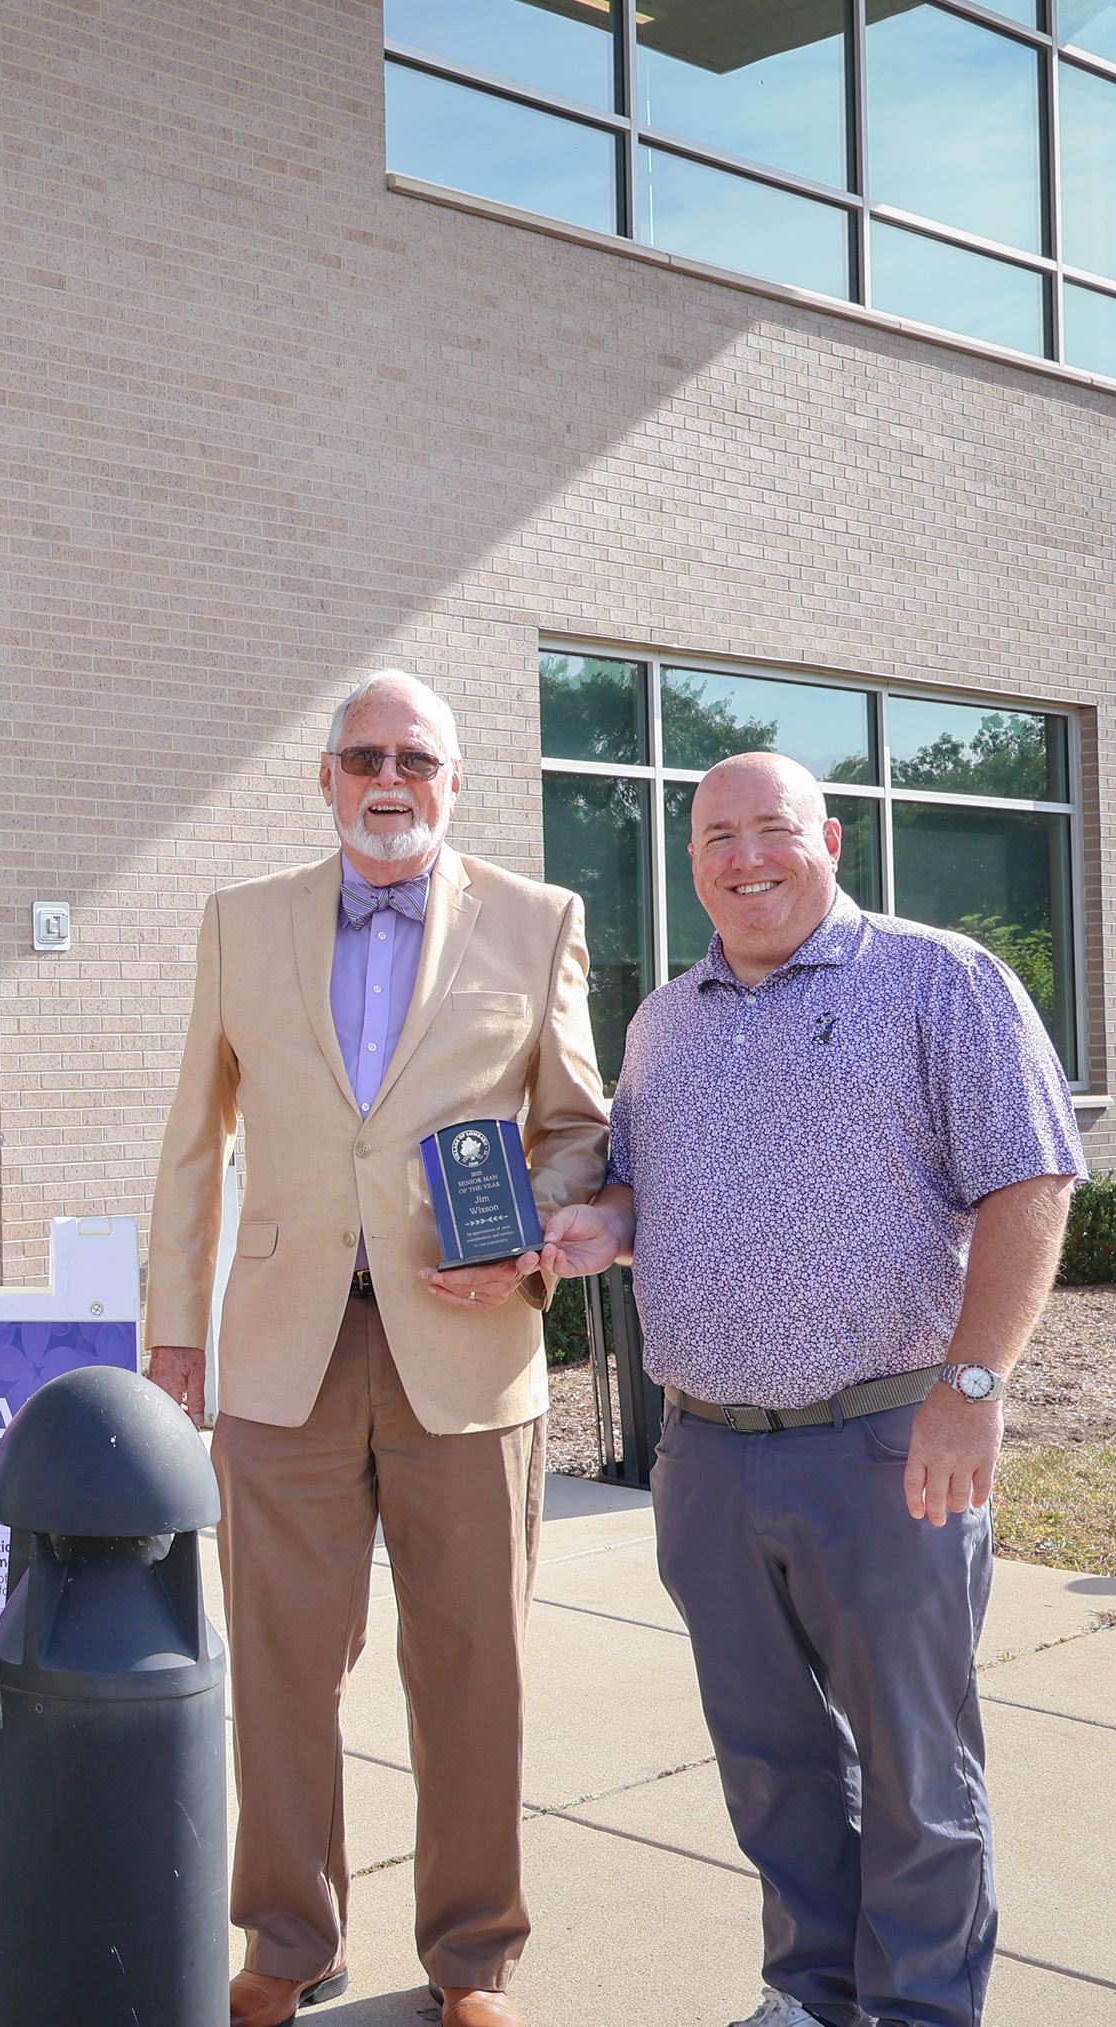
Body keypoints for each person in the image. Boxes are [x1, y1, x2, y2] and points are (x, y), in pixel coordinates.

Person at [541, 752, 1081, 2027]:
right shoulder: (663, 1019)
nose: (743, 858)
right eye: (715, 837)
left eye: (769, 829)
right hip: (708, 1453)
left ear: (826, 837)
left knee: (913, 1768)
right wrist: (595, 1227)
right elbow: (638, 1188)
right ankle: (812, 1994)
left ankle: (917, 2010)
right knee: (772, 1766)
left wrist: (970, 1382)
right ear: (690, 862)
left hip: (885, 1441)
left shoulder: (934, 978)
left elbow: (1031, 1181)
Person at [145, 669, 611, 2027]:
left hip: (467, 1352)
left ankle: (473, 1954)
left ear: (454, 782)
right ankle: (289, 1935)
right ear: (328, 777)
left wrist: (533, 1227)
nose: (388, 774)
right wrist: (177, 1327)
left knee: (473, 1662)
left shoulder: (539, 921)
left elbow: (576, 1124)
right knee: (284, 1663)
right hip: (285, 1350)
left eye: (416, 754)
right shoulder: (241, 923)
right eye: (364, 754)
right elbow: (193, 1140)